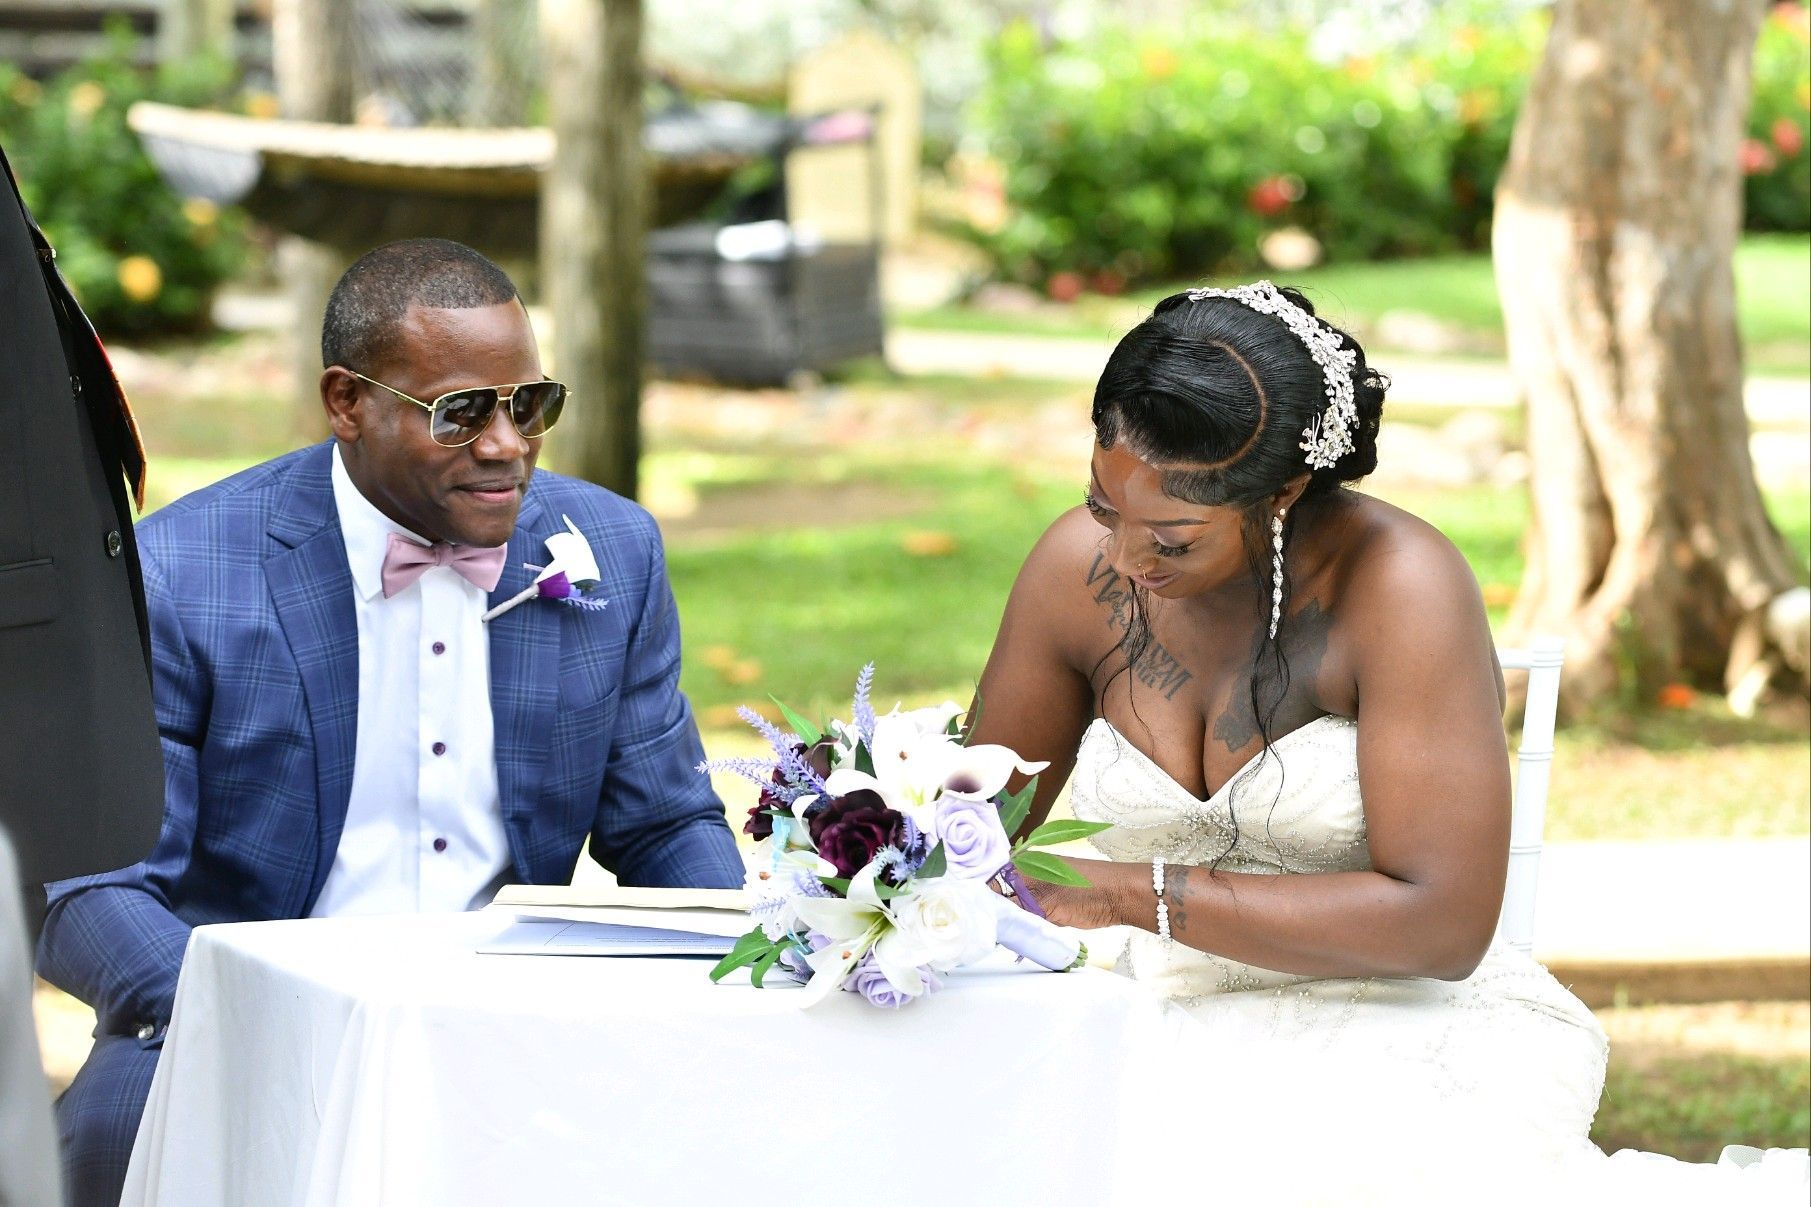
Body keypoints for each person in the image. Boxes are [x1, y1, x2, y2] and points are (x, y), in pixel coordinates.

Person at [969, 282, 1806, 1198]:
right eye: (1103, 507)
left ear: (1282, 493)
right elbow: (967, 835)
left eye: (1171, 538)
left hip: (1387, 1027)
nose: (1126, 561)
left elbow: (1440, 925)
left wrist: (1125, 894)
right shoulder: (1072, 573)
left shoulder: (1402, 587)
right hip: (1137, 1023)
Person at [37, 238, 745, 1206]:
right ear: (346, 402)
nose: (507, 445)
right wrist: (249, 1007)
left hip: (519, 1023)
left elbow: (662, 825)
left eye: (529, 405)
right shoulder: (182, 570)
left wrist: (748, 961)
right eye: (460, 413)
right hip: (235, 1020)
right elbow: (89, 881)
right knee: (108, 1146)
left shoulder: (608, 550)